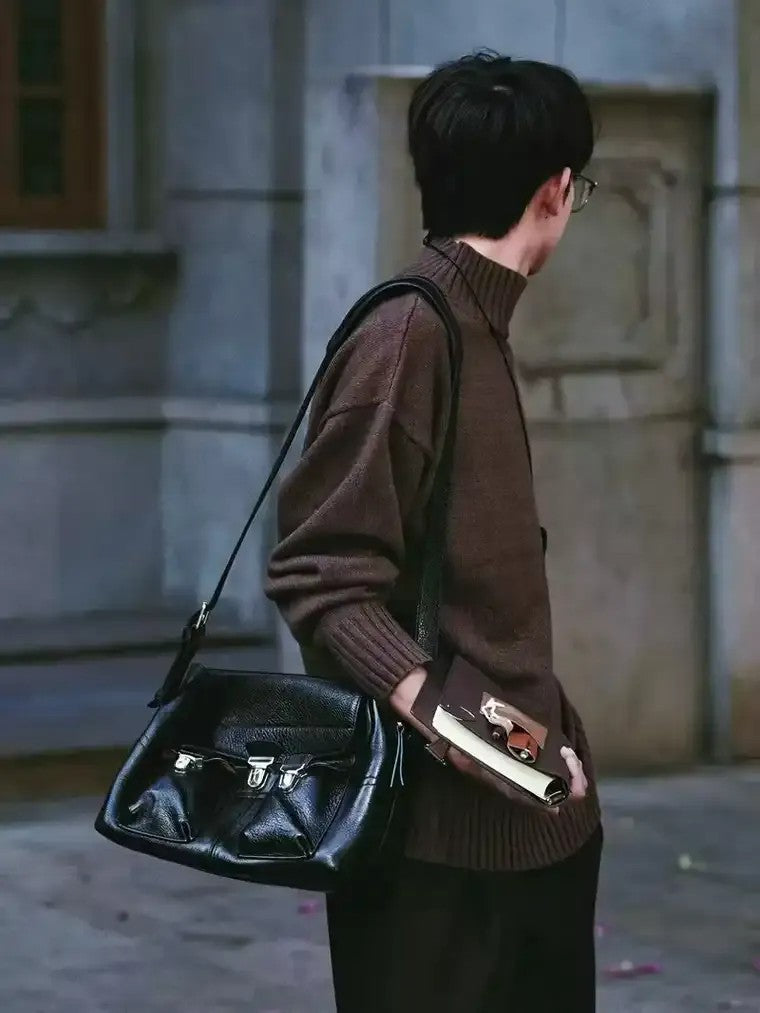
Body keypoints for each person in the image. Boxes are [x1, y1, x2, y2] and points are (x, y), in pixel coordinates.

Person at [266, 51, 602, 1013]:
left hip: (531, 837)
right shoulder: (410, 334)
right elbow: (321, 573)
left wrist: (540, 751)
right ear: (557, 191)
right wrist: (484, 740)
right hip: (434, 861)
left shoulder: (475, 321)